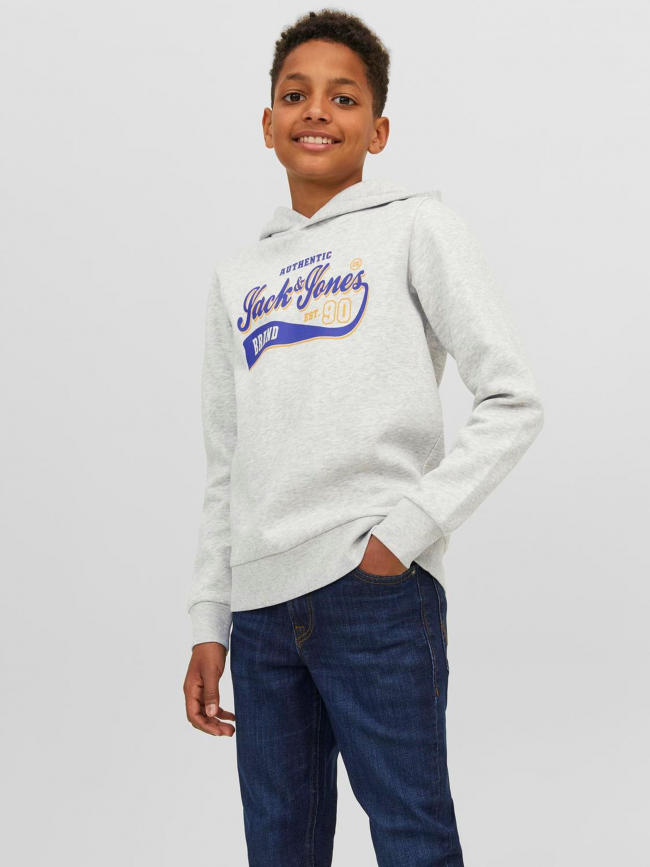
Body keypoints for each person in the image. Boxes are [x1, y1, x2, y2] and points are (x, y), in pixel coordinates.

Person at [183, 9, 544, 866]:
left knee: (413, 839)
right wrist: (210, 617)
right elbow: (226, 462)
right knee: (280, 848)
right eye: (295, 94)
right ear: (267, 123)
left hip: (372, 590)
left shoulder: (418, 227)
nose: (317, 110)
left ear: (377, 129)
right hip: (260, 610)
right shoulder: (238, 277)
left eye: (343, 97)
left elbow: (513, 398)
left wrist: (399, 537)